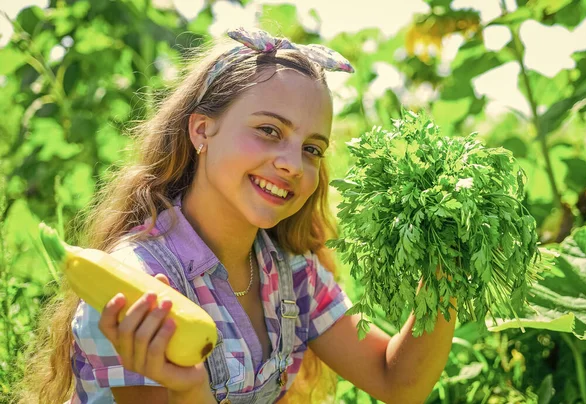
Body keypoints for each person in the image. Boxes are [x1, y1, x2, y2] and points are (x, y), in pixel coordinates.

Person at [16, 27, 456, 404]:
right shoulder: (137, 288)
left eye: (312, 149)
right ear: (202, 130)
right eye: (269, 131)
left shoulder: (290, 273)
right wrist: (188, 389)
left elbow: (396, 381)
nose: (292, 164)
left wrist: (445, 266)